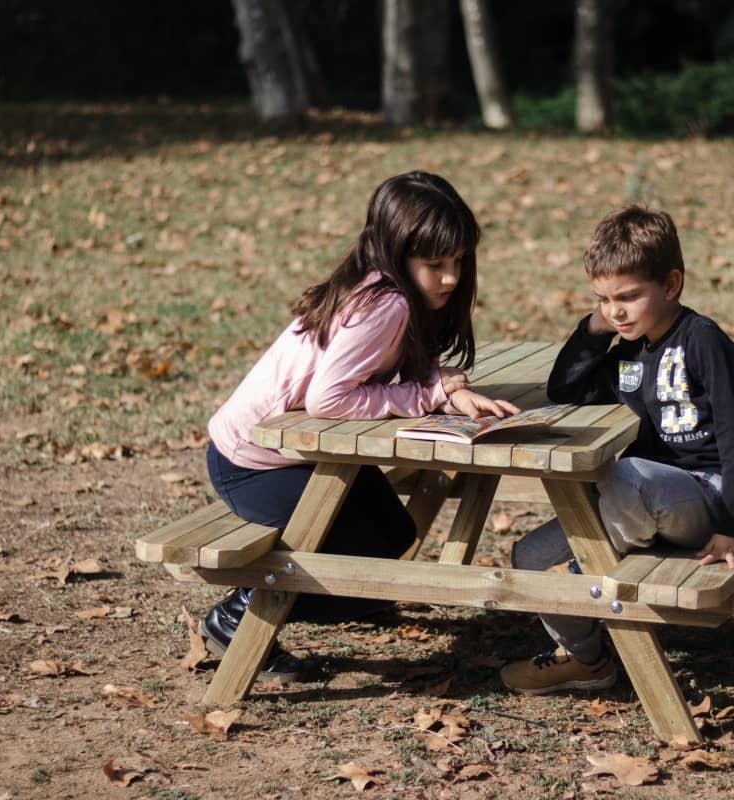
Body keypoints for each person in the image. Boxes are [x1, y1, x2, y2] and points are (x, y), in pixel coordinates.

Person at [202, 171, 518, 683]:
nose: (451, 277)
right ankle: (244, 610)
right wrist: (428, 395)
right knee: (368, 566)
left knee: (394, 537)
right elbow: (329, 398)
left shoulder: (391, 292)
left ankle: (325, 600)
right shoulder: (384, 303)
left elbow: (404, 364)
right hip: (253, 462)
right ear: (396, 253)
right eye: (435, 264)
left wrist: (448, 387)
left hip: (292, 455)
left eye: (458, 262)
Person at [500, 205, 734, 695]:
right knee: (530, 555)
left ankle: (584, 571)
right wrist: (593, 330)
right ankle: (586, 659)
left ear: (671, 284)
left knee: (620, 476)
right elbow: (565, 389)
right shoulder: (627, 349)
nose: (615, 311)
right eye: (603, 299)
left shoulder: (703, 341)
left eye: (628, 297)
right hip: (641, 499)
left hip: (705, 497)